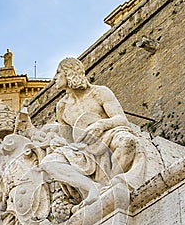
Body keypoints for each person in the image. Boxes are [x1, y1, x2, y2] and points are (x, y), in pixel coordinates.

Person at [39, 57, 146, 207]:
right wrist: (59, 144)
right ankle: (92, 188)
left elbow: (122, 119)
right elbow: (69, 141)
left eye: (58, 73)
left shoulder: (99, 92)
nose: (54, 78)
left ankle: (111, 183)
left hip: (108, 135)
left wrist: (101, 125)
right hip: (83, 148)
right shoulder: (62, 107)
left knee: (127, 142)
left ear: (69, 73)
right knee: (48, 163)